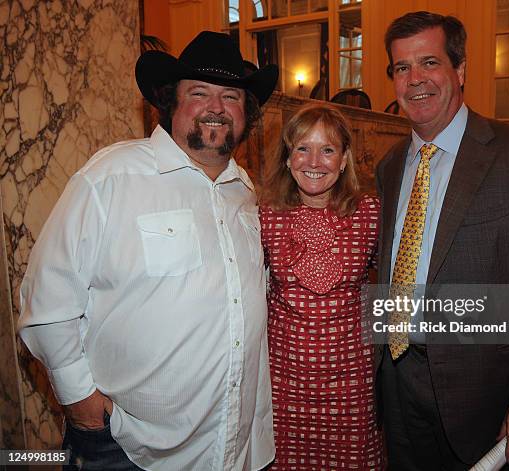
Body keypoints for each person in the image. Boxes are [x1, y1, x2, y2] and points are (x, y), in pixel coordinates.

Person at [18, 31, 278, 471]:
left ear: (245, 114)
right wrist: (83, 406)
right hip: (128, 448)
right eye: (199, 93)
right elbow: (46, 303)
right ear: (170, 103)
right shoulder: (112, 176)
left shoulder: (245, 190)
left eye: (231, 96)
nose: (216, 107)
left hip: (230, 446)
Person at [375, 11, 509, 470]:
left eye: (429, 63)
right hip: (395, 388)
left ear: (461, 69)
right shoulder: (389, 165)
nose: (415, 80)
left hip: (488, 401)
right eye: (402, 68)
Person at [259, 103, 383, 470]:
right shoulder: (264, 215)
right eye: (302, 148)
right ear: (287, 158)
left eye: (327, 149)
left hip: (350, 381)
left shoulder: (371, 213)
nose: (314, 160)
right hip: (284, 381)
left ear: (344, 160)